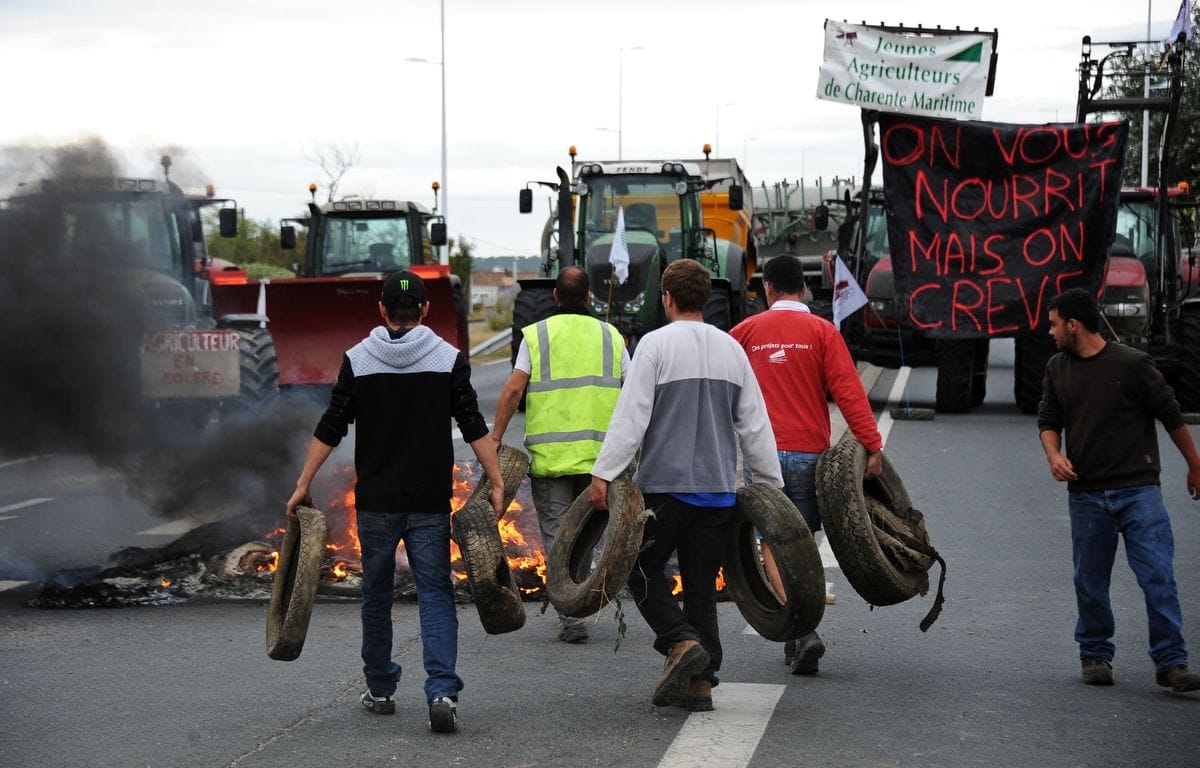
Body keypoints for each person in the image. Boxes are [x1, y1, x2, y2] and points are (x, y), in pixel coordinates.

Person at [285, 270, 505, 733]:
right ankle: (442, 689)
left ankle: (381, 687)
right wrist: (497, 477)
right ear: (425, 310)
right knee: (436, 594)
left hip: (376, 503)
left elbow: (332, 424)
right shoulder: (448, 358)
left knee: (376, 595)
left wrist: (304, 482)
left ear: (381, 310)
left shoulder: (358, 359)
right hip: (428, 501)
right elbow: (472, 424)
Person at [588, 258, 783, 712]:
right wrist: (771, 488)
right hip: (718, 491)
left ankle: (679, 642)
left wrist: (604, 473)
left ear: (667, 298)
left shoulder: (654, 346)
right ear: (707, 299)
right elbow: (755, 425)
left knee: (636, 569)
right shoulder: (732, 349)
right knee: (699, 584)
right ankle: (701, 683)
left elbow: (631, 417)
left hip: (666, 490)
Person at [1037, 287, 1200, 693]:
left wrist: (1195, 465)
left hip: (1139, 491)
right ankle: (1095, 654)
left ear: (1074, 325)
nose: (1050, 331)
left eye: (1055, 324)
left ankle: (1172, 663)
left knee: (1158, 576)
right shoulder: (1058, 368)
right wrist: (1054, 456)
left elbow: (1171, 416)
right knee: (1089, 581)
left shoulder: (1133, 365)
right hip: (1087, 496)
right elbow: (1048, 420)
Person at [730, 254, 883, 675]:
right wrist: (872, 447)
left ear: (768, 290)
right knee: (804, 544)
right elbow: (850, 394)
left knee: (772, 546)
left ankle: (801, 631)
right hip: (810, 459)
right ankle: (801, 632)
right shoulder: (822, 331)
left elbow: (720, 386)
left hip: (765, 460)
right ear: (803, 288)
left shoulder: (745, 331)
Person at [492, 266, 629, 643]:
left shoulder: (535, 336)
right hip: (600, 462)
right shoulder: (611, 336)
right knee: (584, 536)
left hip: (551, 460)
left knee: (557, 536)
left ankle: (571, 614)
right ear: (589, 297)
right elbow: (634, 394)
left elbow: (512, 391)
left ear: (555, 296)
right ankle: (577, 598)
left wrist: (496, 437)